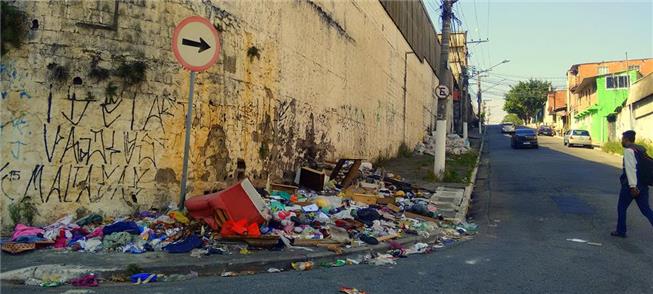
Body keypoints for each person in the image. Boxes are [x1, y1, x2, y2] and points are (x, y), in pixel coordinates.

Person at [611, 130, 653, 237]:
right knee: (646, 209)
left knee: (621, 207)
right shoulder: (640, 149)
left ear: (626, 139)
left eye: (622, 139)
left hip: (631, 186)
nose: (622, 141)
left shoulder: (629, 151)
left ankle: (621, 231)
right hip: (643, 184)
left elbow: (631, 169)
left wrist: (633, 186)